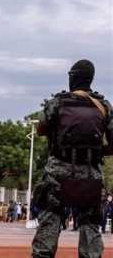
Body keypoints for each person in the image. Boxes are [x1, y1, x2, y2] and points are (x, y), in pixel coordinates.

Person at [32, 59, 113, 258]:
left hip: (57, 173)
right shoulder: (104, 106)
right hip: (90, 174)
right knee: (90, 223)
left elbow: (41, 128)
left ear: (72, 77)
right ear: (90, 79)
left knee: (50, 218)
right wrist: (96, 151)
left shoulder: (58, 102)